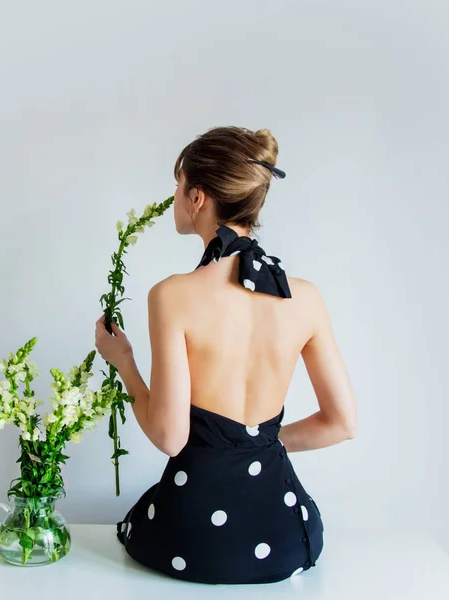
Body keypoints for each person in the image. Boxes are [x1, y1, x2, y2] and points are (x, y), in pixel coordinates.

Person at [94, 125, 357, 585]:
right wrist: (259, 444)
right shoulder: (306, 298)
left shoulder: (172, 296)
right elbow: (341, 423)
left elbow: (170, 438)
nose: (175, 198)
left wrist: (125, 366)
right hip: (284, 536)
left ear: (198, 197)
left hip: (191, 540)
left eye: (178, 187)